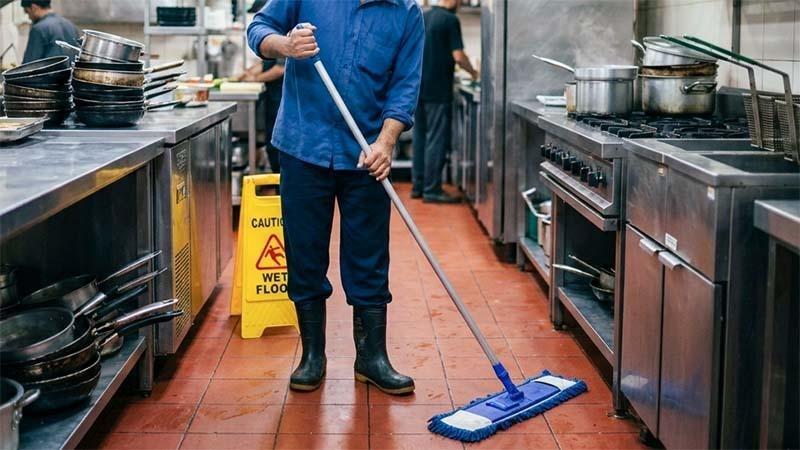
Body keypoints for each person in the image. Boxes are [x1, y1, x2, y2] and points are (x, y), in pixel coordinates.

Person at [247, 1, 425, 395]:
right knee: (304, 252)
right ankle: (313, 356)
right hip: (302, 144)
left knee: (369, 256)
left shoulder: (406, 13)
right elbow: (258, 30)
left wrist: (387, 141)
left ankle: (371, 358)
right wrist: (286, 45)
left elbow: (406, 84)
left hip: (366, 155)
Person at [412, 0, 479, 203]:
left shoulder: (424, 15)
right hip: (439, 91)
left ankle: (418, 186)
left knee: (420, 138)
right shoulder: (450, 20)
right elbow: (458, 56)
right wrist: (474, 73)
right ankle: (432, 190)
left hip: (418, 89)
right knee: (436, 140)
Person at [236, 0, 286, 173]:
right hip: (272, 97)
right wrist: (248, 73)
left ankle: (280, 189)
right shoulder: (270, 38)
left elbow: (280, 69)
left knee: (276, 148)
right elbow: (266, 63)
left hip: (280, 98)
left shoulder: (285, 36)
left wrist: (255, 79)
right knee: (271, 144)